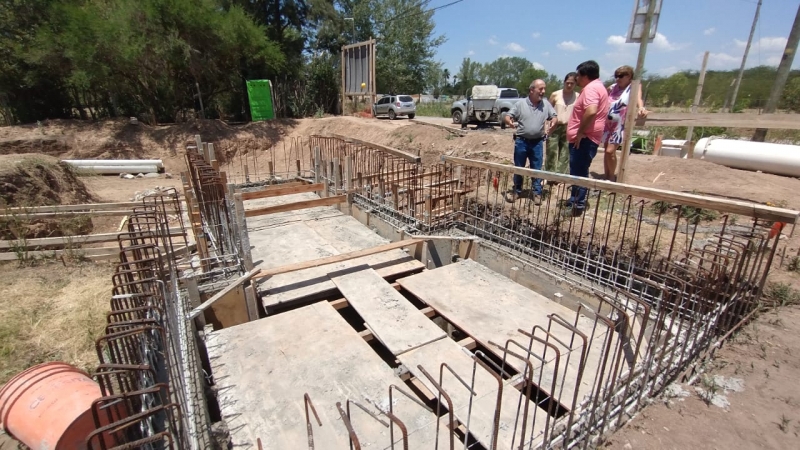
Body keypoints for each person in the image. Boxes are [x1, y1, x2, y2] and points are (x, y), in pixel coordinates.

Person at [565, 60, 610, 216]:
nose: (576, 78)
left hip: (584, 139)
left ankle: (577, 205)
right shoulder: (599, 88)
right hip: (587, 138)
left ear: (585, 76)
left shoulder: (591, 89)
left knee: (579, 172)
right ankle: (575, 200)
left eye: (578, 75)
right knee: (578, 171)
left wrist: (580, 133)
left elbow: (591, 111)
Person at [503, 79, 557, 205]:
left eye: (544, 89)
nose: (543, 91)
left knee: (536, 168)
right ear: (532, 90)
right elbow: (507, 115)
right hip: (521, 142)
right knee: (519, 167)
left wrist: (554, 122)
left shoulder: (546, 104)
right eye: (540, 89)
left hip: (537, 143)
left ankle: (537, 192)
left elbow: (554, 117)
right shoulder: (520, 104)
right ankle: (517, 191)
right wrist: (509, 121)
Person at [602, 65, 648, 181]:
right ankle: (606, 175)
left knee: (610, 151)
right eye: (616, 76)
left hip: (620, 125)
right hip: (607, 123)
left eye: (621, 76)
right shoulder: (612, 87)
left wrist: (641, 108)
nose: (618, 79)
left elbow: (638, 99)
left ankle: (612, 177)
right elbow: (603, 98)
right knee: (606, 151)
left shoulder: (633, 87)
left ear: (628, 76)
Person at [546, 72, 578, 177]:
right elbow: (548, 110)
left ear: (575, 84)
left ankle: (560, 176)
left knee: (565, 152)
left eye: (572, 83)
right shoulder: (555, 94)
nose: (569, 85)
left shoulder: (578, 96)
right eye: (567, 83)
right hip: (555, 125)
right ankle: (549, 174)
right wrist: (546, 126)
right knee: (551, 150)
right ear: (564, 82)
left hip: (569, 126)